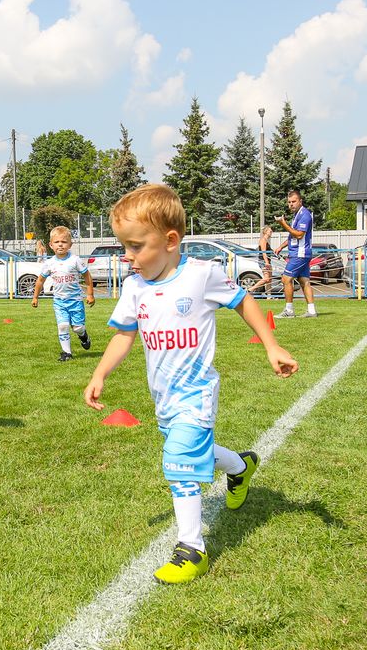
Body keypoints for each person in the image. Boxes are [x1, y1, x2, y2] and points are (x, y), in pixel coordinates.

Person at [84, 184, 298, 585]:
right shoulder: (134, 287)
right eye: (124, 247)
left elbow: (242, 301)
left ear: (170, 241)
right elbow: (123, 335)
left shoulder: (202, 276)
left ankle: (191, 549)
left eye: (135, 246)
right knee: (193, 452)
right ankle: (240, 465)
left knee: (178, 464)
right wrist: (99, 374)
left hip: (197, 392)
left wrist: (272, 345)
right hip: (163, 397)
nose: (127, 257)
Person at [31, 225, 94, 361]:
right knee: (63, 325)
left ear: (70, 244)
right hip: (59, 302)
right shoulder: (49, 263)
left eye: (64, 242)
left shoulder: (75, 260)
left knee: (78, 328)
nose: (60, 245)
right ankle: (67, 353)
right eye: (57, 242)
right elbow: (40, 281)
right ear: (51, 245)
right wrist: (35, 297)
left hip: (75, 300)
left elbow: (87, 276)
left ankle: (84, 336)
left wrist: (90, 294)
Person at [275, 189, 317, 317]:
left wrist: (283, 223)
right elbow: (293, 235)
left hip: (300, 254)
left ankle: (289, 310)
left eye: (294, 201)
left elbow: (299, 235)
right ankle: (311, 311)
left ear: (300, 201)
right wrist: (281, 246)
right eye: (289, 202)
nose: (291, 204)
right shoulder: (297, 215)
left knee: (286, 279)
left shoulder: (305, 215)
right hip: (299, 253)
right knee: (304, 281)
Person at [244, 225, 275, 297]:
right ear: (266, 232)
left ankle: (269, 296)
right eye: (270, 231)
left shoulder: (266, 241)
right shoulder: (263, 240)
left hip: (268, 261)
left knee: (269, 280)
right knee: (266, 279)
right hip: (263, 262)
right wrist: (266, 262)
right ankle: (250, 289)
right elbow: (264, 252)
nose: (271, 232)